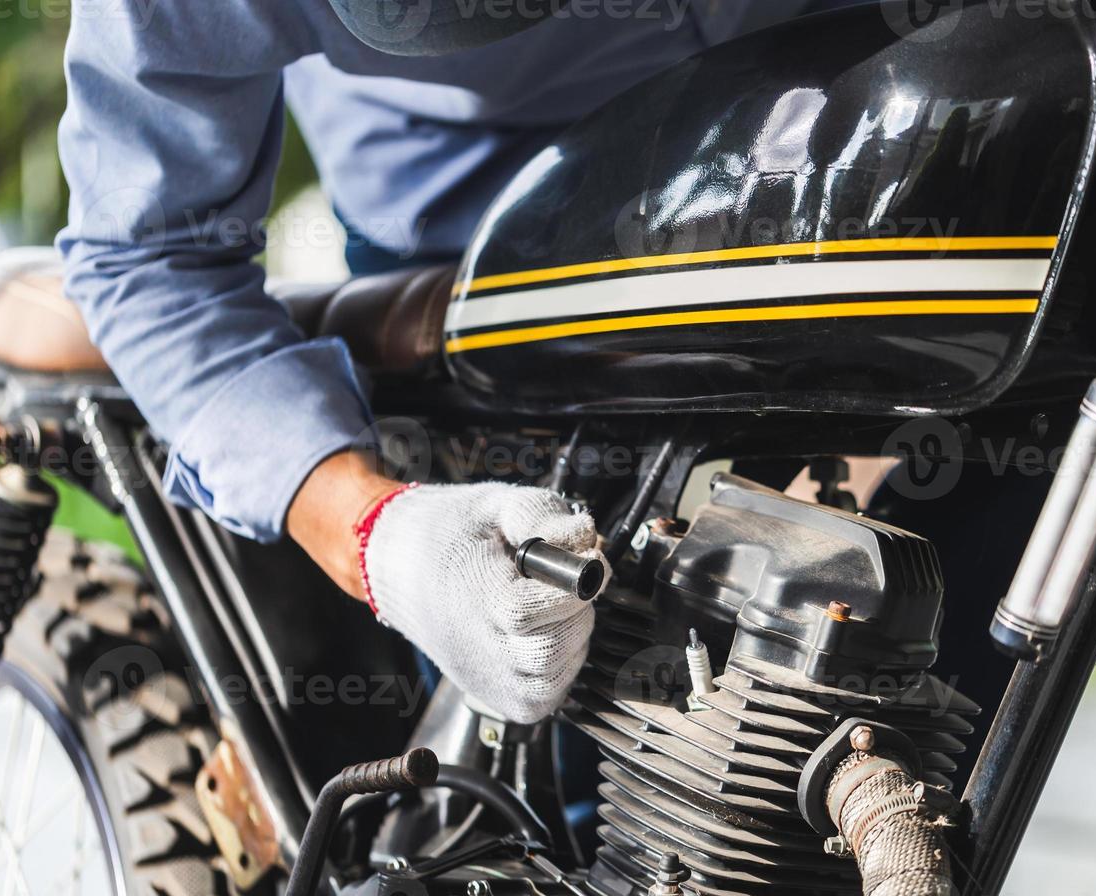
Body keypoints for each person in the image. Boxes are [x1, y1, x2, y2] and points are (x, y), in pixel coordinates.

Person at [54, 0, 823, 723]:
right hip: (467, 210)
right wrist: (373, 534)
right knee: (554, 699)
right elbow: (153, 256)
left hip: (845, 107)